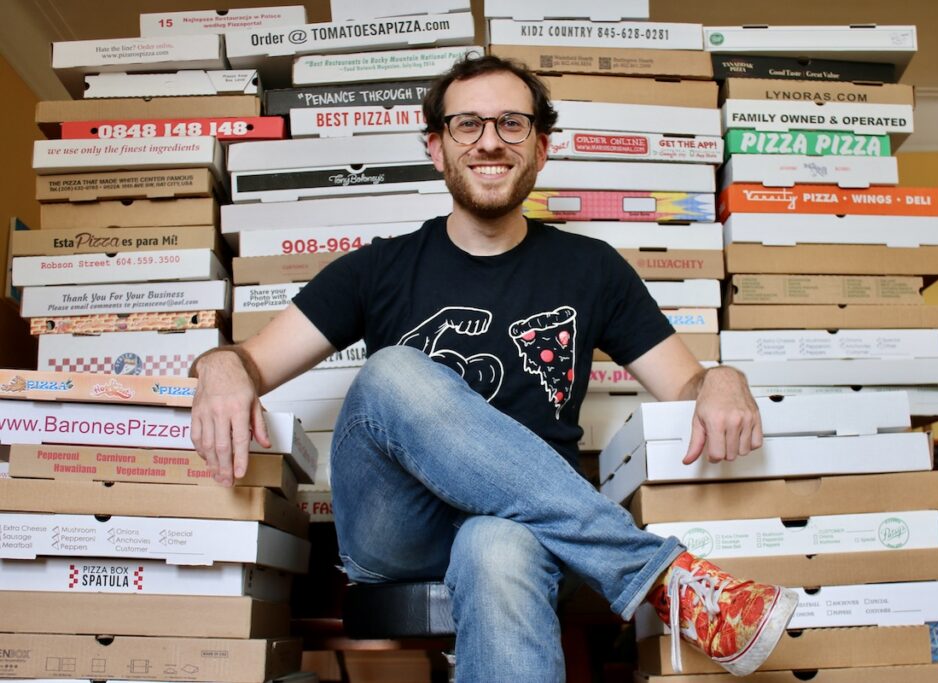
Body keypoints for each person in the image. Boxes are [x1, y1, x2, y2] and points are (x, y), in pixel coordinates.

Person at [190, 55, 796, 680]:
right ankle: (657, 574)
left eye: (511, 123)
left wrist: (723, 378)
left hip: (532, 536)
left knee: (497, 543)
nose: (489, 142)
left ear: (541, 148)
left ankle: (660, 582)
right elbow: (247, 361)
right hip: (399, 529)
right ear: (436, 148)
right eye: (467, 124)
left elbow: (686, 382)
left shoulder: (592, 270)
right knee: (392, 372)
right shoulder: (378, 269)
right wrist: (223, 369)